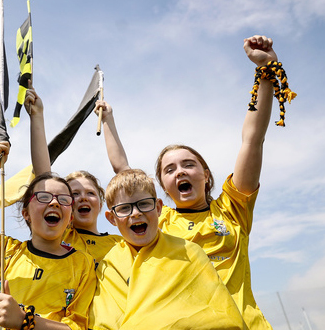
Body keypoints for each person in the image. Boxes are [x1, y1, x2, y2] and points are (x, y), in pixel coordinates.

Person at [108, 35, 285, 329]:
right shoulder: (158, 220)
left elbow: (252, 140)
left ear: (206, 175)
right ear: (162, 188)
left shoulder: (233, 209)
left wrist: (265, 72)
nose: (180, 172)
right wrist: (108, 120)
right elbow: (122, 170)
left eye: (189, 164)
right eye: (169, 169)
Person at [0, 142, 96, 330]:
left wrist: (25, 320)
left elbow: (76, 328)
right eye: (43, 196)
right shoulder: (2, 251)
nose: (54, 203)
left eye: (64, 200)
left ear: (70, 218)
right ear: (26, 213)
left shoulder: (83, 264)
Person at [88, 169, 246, 329]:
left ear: (158, 208)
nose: (136, 213)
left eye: (144, 204)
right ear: (112, 218)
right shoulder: (109, 267)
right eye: (124, 208)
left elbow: (220, 315)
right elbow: (106, 323)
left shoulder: (189, 251)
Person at [25, 86, 123, 265]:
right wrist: (37, 115)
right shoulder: (59, 236)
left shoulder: (120, 244)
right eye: (74, 194)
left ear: (101, 204)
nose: (83, 198)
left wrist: (107, 119)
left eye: (90, 193)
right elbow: (44, 179)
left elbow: (125, 175)